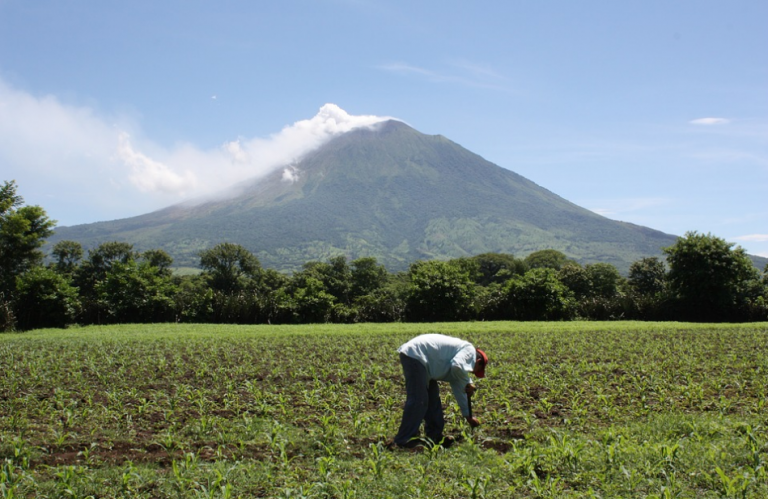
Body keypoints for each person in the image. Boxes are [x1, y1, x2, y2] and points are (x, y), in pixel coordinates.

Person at [391, 333, 488, 449]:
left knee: (432, 400)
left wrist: (468, 416)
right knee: (419, 400)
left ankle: (435, 436)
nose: (471, 372)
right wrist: (468, 381)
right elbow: (457, 366)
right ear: (478, 361)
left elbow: (460, 389)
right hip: (417, 355)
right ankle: (403, 440)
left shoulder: (459, 369)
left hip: (425, 362)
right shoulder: (469, 350)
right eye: (475, 371)